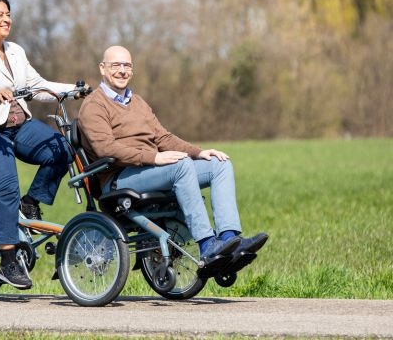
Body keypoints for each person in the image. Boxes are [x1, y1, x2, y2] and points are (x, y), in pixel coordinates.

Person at [78, 45, 268, 278]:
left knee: (220, 164)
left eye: (127, 65)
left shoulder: (138, 102)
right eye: (116, 65)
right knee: (180, 166)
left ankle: (229, 240)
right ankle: (207, 245)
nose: (122, 70)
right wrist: (154, 157)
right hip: (119, 178)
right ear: (103, 68)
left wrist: (199, 152)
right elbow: (105, 148)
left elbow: (163, 137)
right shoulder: (93, 105)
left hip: (150, 171)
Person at [0, 0, 87, 289]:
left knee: (62, 148)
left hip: (17, 126)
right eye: (0, 14)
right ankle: (8, 261)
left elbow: (37, 86)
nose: (6, 19)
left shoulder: (15, 51)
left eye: (9, 14)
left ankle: (31, 202)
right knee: (6, 186)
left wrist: (73, 90)